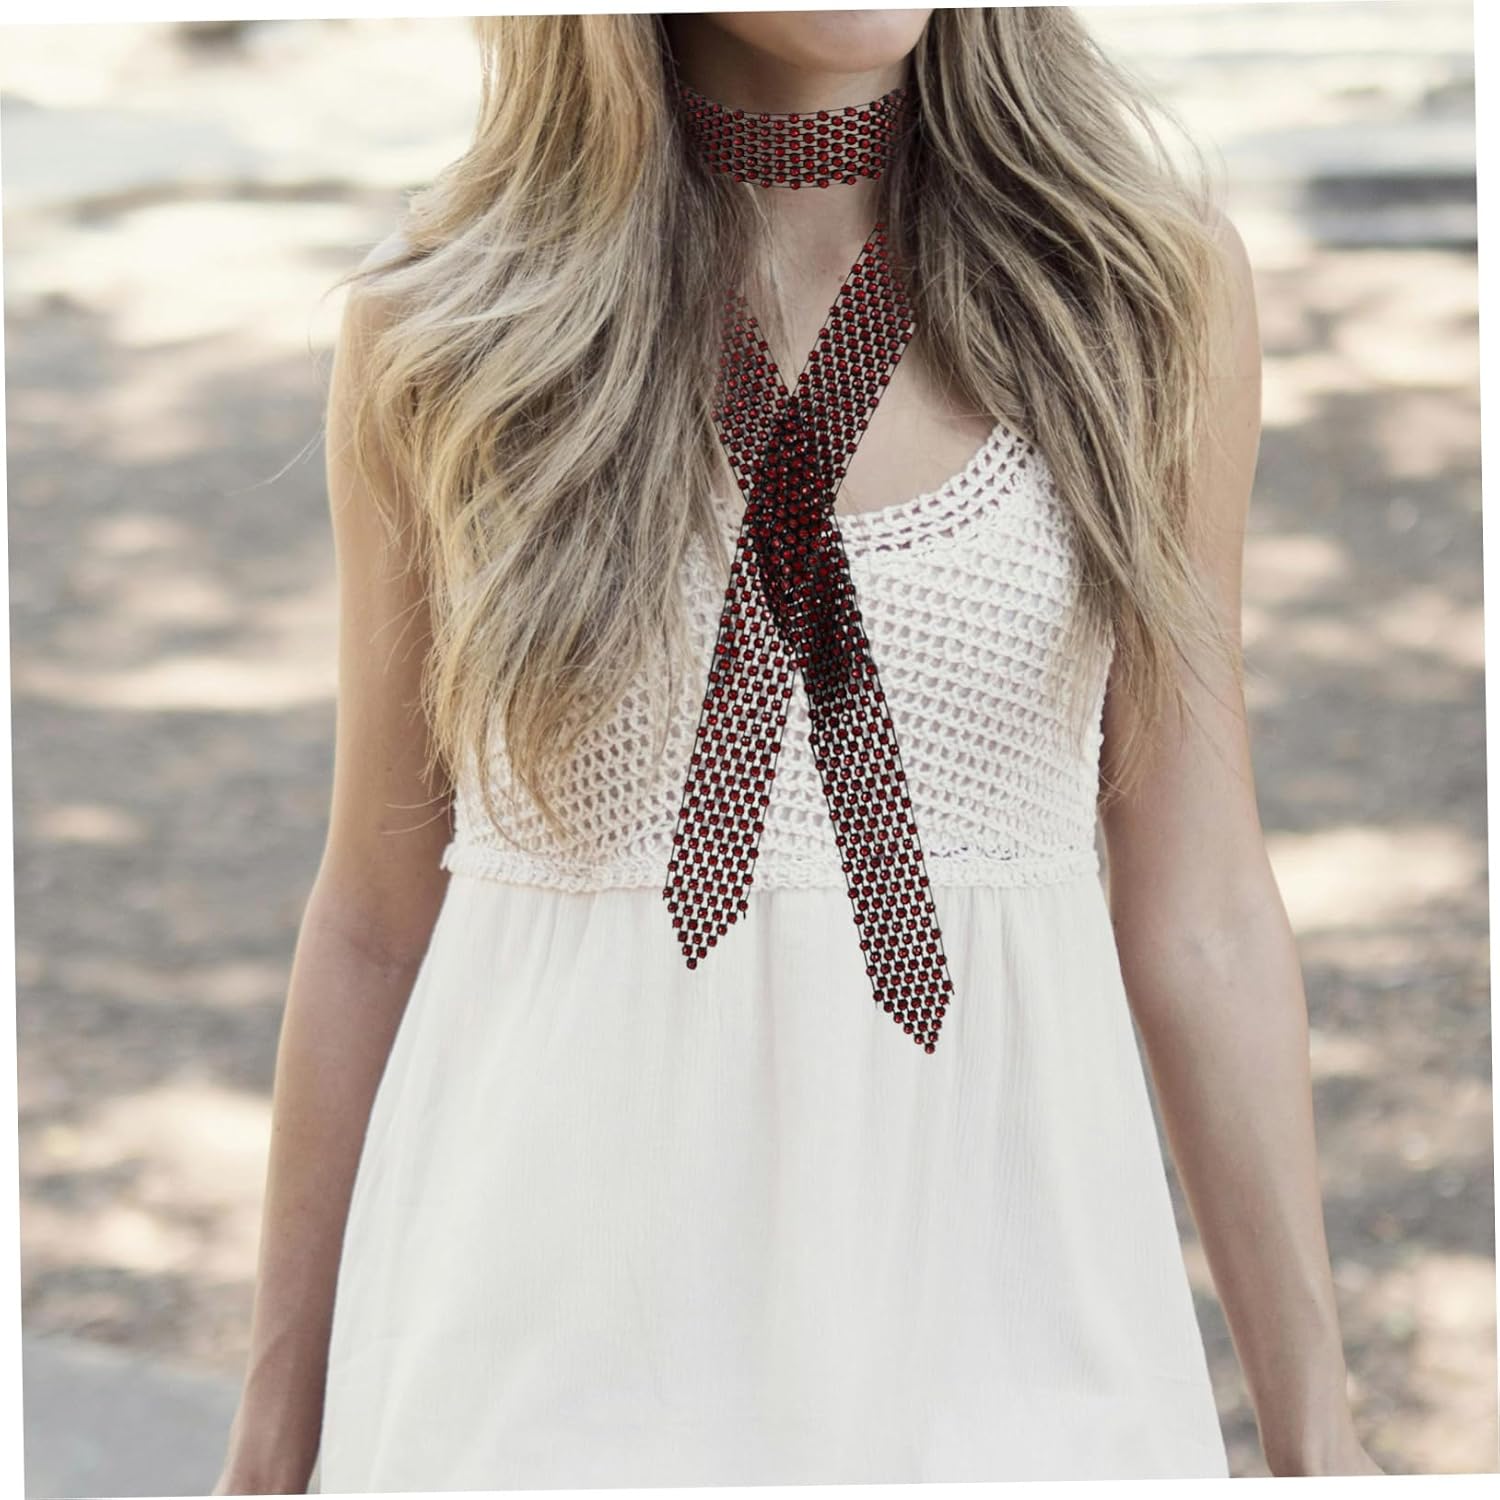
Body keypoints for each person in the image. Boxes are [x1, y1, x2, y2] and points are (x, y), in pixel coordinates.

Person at [214, 9, 1384, 1492]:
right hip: (536, 1342)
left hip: (1011, 1305)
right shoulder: (446, 324)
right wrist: (269, 1448)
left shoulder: (1141, 285)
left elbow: (1202, 907)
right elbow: (375, 922)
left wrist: (1320, 1442)